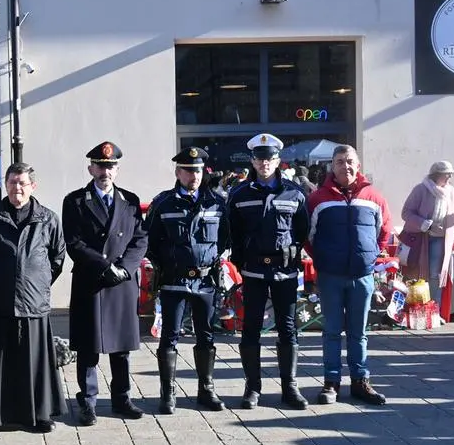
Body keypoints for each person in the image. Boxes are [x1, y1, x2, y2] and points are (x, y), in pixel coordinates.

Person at [0, 163, 67, 436]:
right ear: (6, 185)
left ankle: (39, 414)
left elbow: (57, 258)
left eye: (22, 183)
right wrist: (0, 278)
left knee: (34, 363)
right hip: (1, 301)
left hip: (34, 302)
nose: (17, 188)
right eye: (12, 183)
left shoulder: (48, 219)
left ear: (32, 186)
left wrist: (37, 281)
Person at [63, 142, 148, 426]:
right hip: (92, 280)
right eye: (100, 166)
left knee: (121, 346)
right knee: (88, 346)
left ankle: (122, 398)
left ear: (117, 170)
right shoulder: (75, 201)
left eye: (110, 167)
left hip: (121, 282)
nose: (105, 171)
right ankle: (87, 401)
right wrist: (105, 266)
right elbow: (74, 243)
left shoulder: (130, 201)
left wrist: (124, 269)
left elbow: (140, 239)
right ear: (91, 168)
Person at [227, 134, 309, 410]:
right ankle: (253, 387)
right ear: (252, 160)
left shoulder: (295, 192)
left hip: (284, 271)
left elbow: (302, 230)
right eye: (260, 158)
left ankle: (290, 387)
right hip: (253, 271)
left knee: (288, 328)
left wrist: (293, 250)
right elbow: (232, 232)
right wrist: (240, 260)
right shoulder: (239, 194)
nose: (265, 163)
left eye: (270, 158)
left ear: (278, 161)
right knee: (251, 328)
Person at [146, 146, 229, 413]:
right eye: (188, 171)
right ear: (178, 172)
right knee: (169, 336)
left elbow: (226, 238)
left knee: (205, 335)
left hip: (205, 282)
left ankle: (206, 389)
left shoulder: (216, 202)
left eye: (197, 170)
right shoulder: (163, 203)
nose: (193, 175)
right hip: (173, 281)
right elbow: (150, 240)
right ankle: (167, 393)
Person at [307, 144, 392, 406]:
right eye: (341, 161)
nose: (346, 166)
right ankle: (331, 382)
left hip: (362, 276)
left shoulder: (374, 197)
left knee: (359, 332)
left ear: (358, 164)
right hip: (331, 275)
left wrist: (368, 257)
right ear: (332, 166)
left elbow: (384, 233)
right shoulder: (318, 199)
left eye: (350, 161)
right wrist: (323, 259)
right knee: (332, 331)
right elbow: (308, 237)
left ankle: (360, 381)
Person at [401, 161, 454, 305]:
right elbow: (406, 213)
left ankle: (434, 308)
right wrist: (422, 223)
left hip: (441, 240)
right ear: (436, 175)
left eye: (451, 175)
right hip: (420, 238)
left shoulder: (452, 192)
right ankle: (413, 307)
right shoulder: (420, 190)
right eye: (447, 174)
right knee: (415, 272)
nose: (449, 178)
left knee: (436, 275)